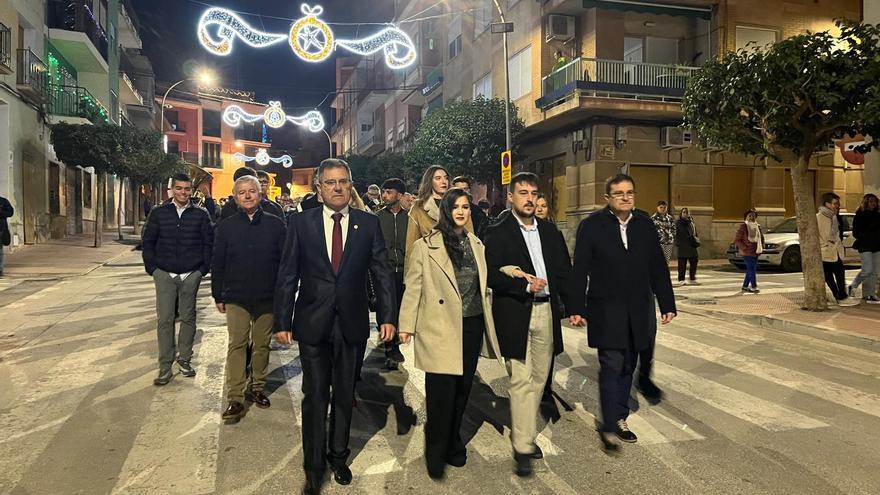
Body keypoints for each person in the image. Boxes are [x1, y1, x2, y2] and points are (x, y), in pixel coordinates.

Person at [274, 158, 397, 495]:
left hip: (352, 323)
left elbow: (381, 273)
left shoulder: (367, 224)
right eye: (331, 183)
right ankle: (314, 465)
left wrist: (388, 317)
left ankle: (338, 455)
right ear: (319, 188)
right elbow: (287, 275)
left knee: (344, 392)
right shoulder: (301, 224)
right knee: (315, 394)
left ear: (350, 185)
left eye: (343, 181)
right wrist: (282, 320)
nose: (338, 188)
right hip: (313, 322)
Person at [398, 188, 504, 480]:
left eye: (465, 207)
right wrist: (406, 325)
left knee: (462, 391)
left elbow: (487, 280)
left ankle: (453, 440)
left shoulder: (476, 244)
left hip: (471, 325)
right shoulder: (426, 246)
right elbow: (413, 288)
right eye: (455, 206)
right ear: (445, 210)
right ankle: (436, 451)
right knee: (440, 393)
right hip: (440, 327)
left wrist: (513, 273)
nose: (461, 211)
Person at [569, 173, 676, 450]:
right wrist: (576, 308)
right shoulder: (592, 226)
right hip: (606, 308)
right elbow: (580, 269)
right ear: (608, 198)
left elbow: (657, 266)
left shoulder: (644, 224)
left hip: (638, 308)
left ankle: (619, 416)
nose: (626, 197)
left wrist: (667, 304)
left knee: (628, 364)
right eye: (619, 193)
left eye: (630, 192)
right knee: (612, 364)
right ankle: (610, 422)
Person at [485, 172, 577, 477]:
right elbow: (490, 275)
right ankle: (522, 443)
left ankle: (522, 428)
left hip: (546, 312)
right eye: (522, 193)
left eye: (533, 193)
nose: (529, 198)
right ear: (511, 197)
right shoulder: (497, 231)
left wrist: (575, 308)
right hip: (515, 312)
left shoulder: (551, 233)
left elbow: (564, 272)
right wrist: (522, 285)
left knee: (539, 377)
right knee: (521, 379)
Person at [212, 175, 286, 423]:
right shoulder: (226, 226)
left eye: (251, 191)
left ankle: (257, 388)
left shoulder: (276, 225)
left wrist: (283, 293)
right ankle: (235, 397)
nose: (247, 195)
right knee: (237, 344)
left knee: (262, 344)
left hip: (267, 295)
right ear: (235, 197)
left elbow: (284, 262)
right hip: (236, 295)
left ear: (260, 194)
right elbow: (218, 262)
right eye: (241, 192)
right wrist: (217, 293)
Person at [141, 174, 214, 386]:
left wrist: (202, 269)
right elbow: (148, 242)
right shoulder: (159, 213)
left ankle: (184, 360)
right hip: (164, 273)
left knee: (188, 317)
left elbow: (208, 243)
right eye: (179, 188)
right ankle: (165, 365)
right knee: (165, 319)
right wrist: (153, 269)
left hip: (191, 274)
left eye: (187, 189)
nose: (183, 192)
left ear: (192, 191)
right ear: (171, 189)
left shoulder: (200, 214)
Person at [405, 166, 473, 271]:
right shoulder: (418, 209)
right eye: (438, 178)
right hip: (430, 267)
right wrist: (409, 278)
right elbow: (411, 246)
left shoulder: (460, 203)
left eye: (445, 178)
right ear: (429, 181)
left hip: (458, 265)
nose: (443, 181)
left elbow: (470, 236)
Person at [376, 178, 409, 364]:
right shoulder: (377, 217)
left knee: (401, 308)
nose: (385, 195)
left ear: (400, 195)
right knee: (386, 307)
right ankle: (390, 346)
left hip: (404, 271)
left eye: (389, 192)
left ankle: (394, 340)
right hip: (384, 271)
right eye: (384, 191)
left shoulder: (410, 218)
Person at [818, 192, 858, 306]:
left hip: (836, 251)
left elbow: (837, 234)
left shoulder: (836, 217)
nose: (837, 206)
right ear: (827, 204)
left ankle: (841, 296)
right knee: (829, 275)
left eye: (838, 203)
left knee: (840, 273)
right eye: (835, 203)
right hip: (825, 251)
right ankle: (838, 296)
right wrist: (824, 245)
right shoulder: (819, 218)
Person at [849, 193, 880, 303]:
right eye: (871, 201)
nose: (873, 204)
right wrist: (866, 237)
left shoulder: (878, 214)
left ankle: (870, 294)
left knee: (875, 272)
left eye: (875, 201)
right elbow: (856, 232)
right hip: (865, 245)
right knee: (867, 270)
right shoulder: (860, 215)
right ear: (866, 202)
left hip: (877, 246)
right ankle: (853, 285)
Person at [735, 209, 764, 294]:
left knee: (750, 269)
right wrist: (744, 247)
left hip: (756, 251)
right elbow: (737, 240)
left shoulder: (757, 226)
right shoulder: (743, 226)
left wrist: (762, 246)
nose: (752, 217)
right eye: (750, 216)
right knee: (752, 269)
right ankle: (754, 287)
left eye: (753, 216)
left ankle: (745, 286)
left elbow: (761, 238)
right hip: (747, 252)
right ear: (746, 217)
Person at [675, 207, 700, 286]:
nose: (685, 214)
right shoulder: (678, 223)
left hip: (692, 245)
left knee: (694, 262)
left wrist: (696, 240)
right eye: (684, 212)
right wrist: (678, 243)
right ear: (681, 213)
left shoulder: (691, 222)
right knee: (682, 264)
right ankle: (681, 279)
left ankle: (692, 278)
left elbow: (695, 232)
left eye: (687, 212)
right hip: (683, 246)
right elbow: (675, 235)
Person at [0, 194, 13, 277]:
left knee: (0, 251)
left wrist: (1, 213)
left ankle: (0, 270)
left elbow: (10, 212)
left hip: (1, 228)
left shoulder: (3, 201)